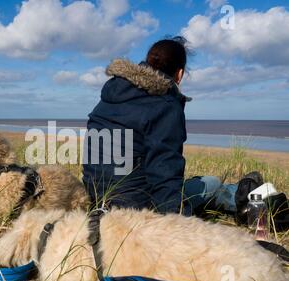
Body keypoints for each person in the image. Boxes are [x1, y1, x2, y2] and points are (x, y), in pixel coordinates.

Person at [82, 36, 261, 217]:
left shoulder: (109, 96)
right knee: (211, 183)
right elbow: (164, 175)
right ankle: (247, 197)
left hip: (96, 199)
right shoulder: (164, 105)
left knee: (194, 185)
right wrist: (174, 223)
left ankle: (241, 193)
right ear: (179, 74)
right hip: (136, 210)